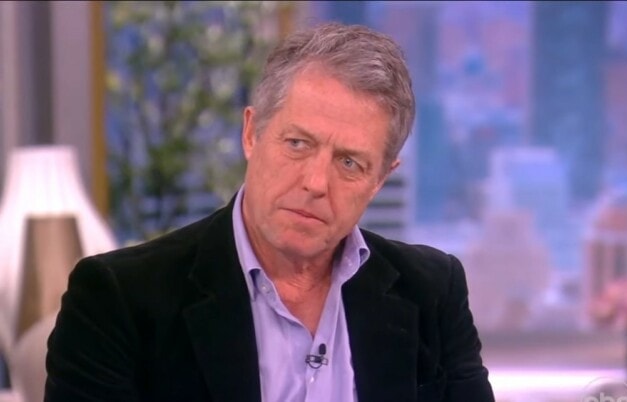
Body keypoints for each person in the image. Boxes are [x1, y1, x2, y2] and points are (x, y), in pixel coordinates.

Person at [45, 22, 495, 402]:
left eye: (349, 163)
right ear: (251, 133)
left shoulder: (432, 292)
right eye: (297, 144)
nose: (315, 183)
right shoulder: (119, 300)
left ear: (380, 178)